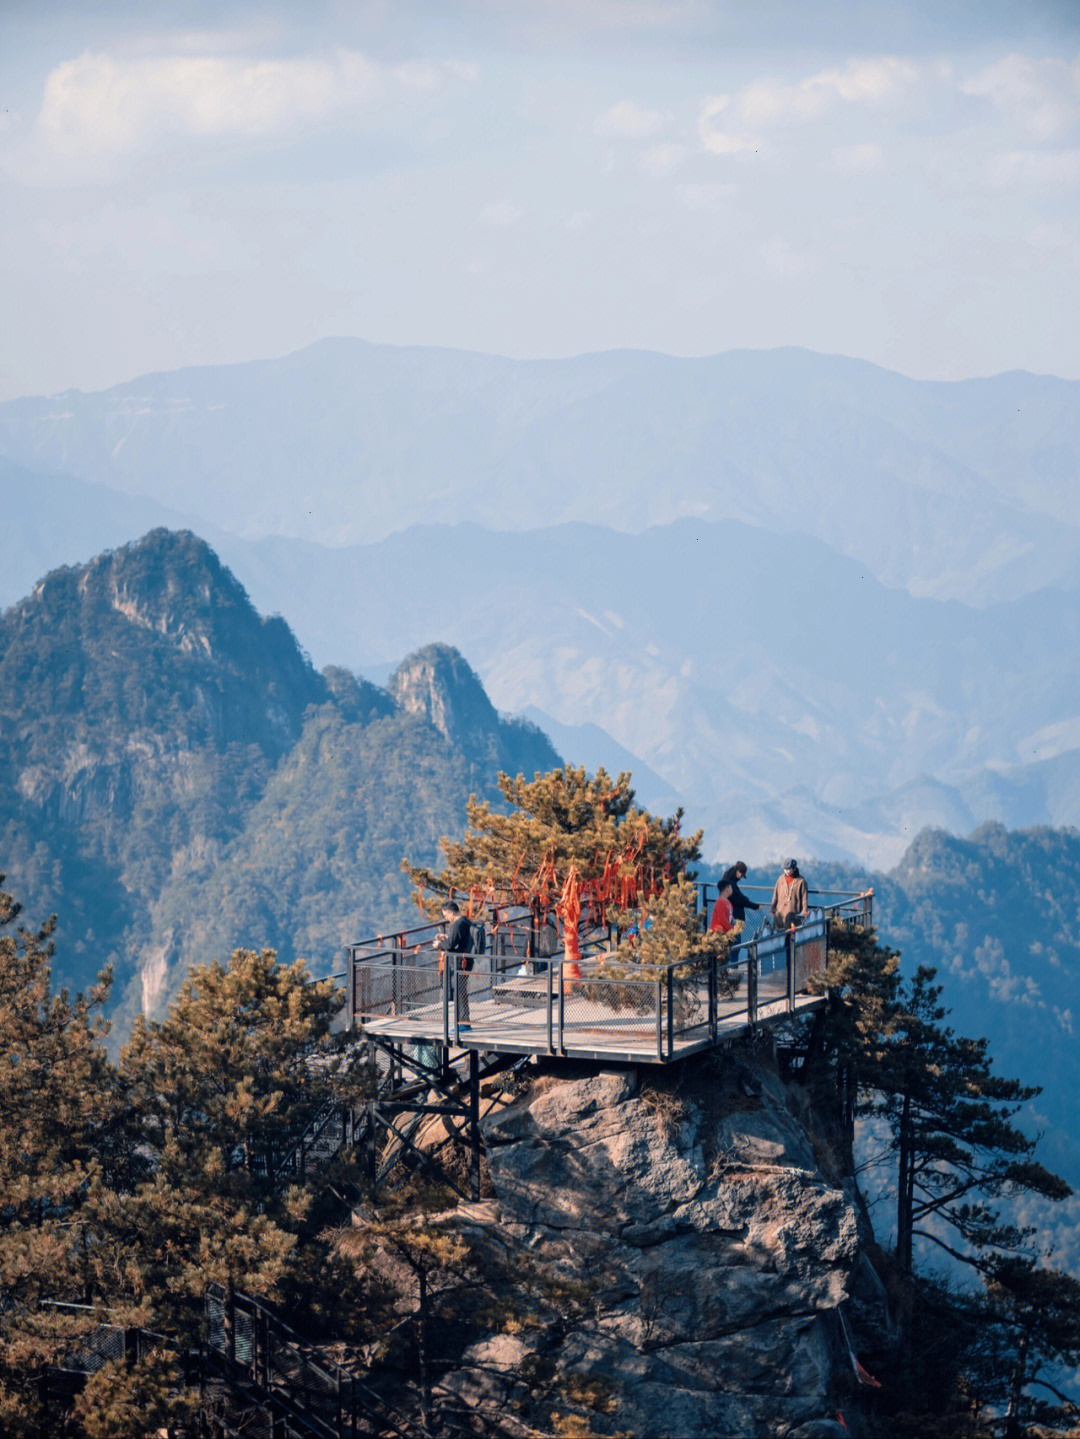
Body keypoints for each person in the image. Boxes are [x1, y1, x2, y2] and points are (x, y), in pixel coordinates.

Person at [434, 900, 473, 1027]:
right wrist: (446, 937)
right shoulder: (465, 921)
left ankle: (463, 1022)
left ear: (451, 912)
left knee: (459, 991)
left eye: (446, 915)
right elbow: (457, 939)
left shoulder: (457, 924)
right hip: (466, 960)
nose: (446, 918)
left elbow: (450, 945)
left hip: (459, 962)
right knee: (461, 990)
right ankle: (463, 1021)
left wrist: (439, 945)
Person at [770, 859, 808, 929]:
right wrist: (773, 908)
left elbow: (804, 898)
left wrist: (803, 912)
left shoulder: (801, 881)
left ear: (794, 869)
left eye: (788, 869)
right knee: (779, 934)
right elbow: (775, 895)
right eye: (785, 869)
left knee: (791, 935)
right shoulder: (780, 879)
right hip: (780, 913)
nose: (786, 871)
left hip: (793, 914)